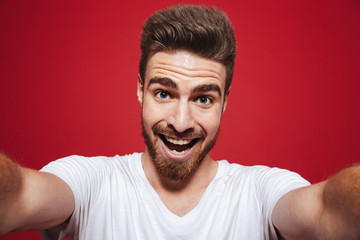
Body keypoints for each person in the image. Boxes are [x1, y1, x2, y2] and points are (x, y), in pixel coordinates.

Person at [0, 4, 359, 240]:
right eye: (164, 93)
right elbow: (16, 196)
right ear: (141, 90)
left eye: (203, 98)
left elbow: (328, 212)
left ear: (225, 103)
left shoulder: (261, 192)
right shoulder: (91, 183)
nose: (181, 122)